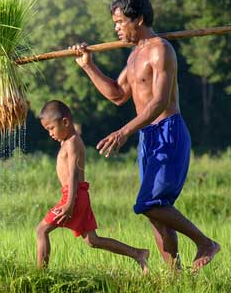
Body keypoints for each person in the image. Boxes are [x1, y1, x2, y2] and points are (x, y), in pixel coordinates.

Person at [69, 0, 220, 272]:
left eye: (119, 22)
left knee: (149, 203)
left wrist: (123, 132)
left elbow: (159, 101)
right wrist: (88, 66)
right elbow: (116, 94)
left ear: (137, 19)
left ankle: (205, 243)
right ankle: (174, 275)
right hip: (147, 137)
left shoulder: (161, 50)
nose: (116, 29)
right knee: (156, 214)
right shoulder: (134, 56)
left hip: (168, 132)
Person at [35, 99, 150, 273]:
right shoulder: (67, 141)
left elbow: (73, 174)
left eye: (51, 128)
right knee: (92, 241)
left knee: (41, 230)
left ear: (65, 122)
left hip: (72, 196)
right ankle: (139, 254)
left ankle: (40, 274)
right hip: (78, 196)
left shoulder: (73, 142)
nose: (50, 133)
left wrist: (69, 204)